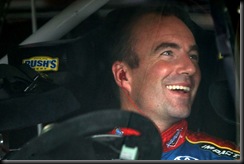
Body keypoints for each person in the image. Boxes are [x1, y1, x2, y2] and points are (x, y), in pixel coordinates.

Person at [100, 2, 240, 160]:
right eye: (167, 53)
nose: (191, 68)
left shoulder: (222, 158)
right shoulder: (83, 153)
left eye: (193, 56)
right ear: (123, 75)